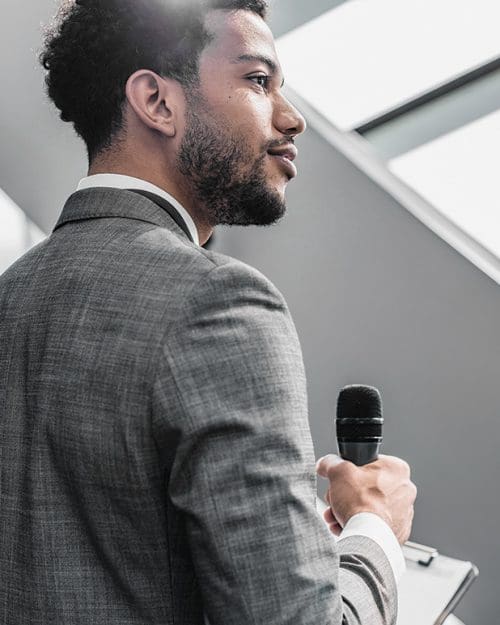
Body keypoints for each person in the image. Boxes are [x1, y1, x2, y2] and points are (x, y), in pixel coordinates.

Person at [0, 1, 416, 623]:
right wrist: (374, 533)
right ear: (157, 101)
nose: (291, 117)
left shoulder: (11, 297)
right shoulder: (219, 302)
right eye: (257, 80)